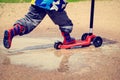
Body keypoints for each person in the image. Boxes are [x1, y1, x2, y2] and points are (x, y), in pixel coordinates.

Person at [3, 0, 75, 49]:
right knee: (65, 23)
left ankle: (12, 31)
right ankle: (67, 39)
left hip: (38, 2)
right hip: (53, 3)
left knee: (30, 20)